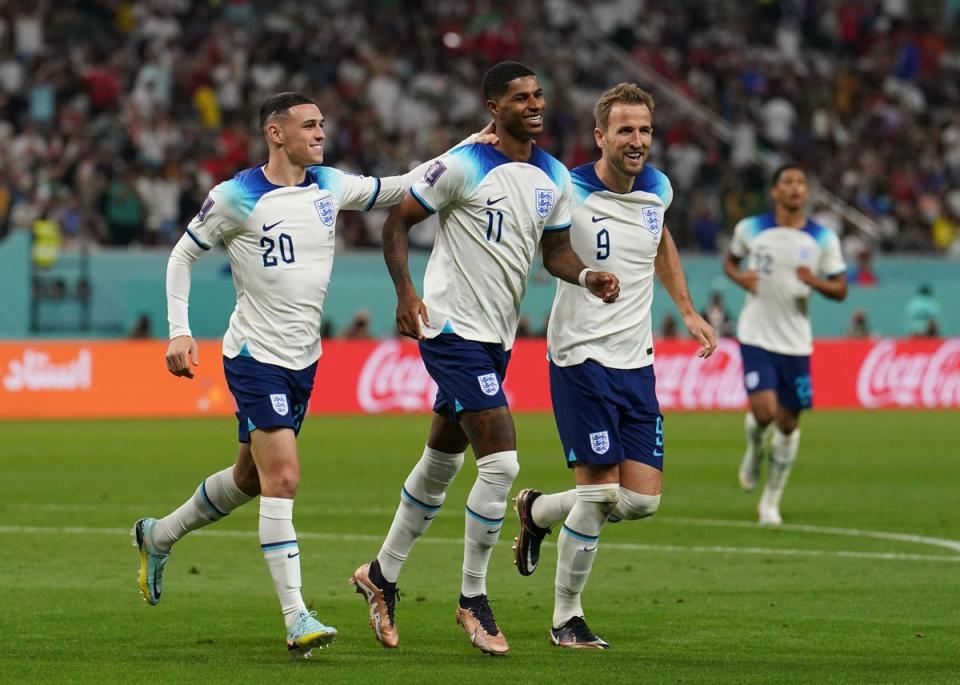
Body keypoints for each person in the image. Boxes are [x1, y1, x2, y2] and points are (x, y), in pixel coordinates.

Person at [132, 92, 432, 656]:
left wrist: (472, 147)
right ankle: (297, 617)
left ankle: (158, 534)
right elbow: (181, 256)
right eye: (309, 125)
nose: (321, 133)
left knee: (250, 478)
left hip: (304, 359)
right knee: (284, 478)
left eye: (322, 124)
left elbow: (399, 185)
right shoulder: (234, 196)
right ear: (276, 132)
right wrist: (179, 330)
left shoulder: (328, 185)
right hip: (254, 357)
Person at [349, 61, 620, 656]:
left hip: (497, 338)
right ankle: (472, 598)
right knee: (500, 463)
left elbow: (554, 252)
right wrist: (406, 293)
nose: (534, 104)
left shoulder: (553, 175)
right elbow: (398, 222)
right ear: (492, 106)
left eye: (539, 94)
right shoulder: (463, 164)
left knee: (441, 461)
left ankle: (381, 574)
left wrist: (587, 274)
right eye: (520, 97)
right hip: (448, 328)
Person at [508, 83, 716, 649]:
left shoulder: (658, 190)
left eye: (645, 130)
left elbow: (661, 241)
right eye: (625, 130)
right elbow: (549, 252)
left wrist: (688, 310)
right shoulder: (566, 188)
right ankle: (565, 619)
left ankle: (538, 510)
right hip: (580, 356)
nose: (637, 140)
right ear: (600, 136)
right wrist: (582, 275)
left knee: (641, 501)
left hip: (636, 361)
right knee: (599, 495)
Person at [723, 164, 848, 525]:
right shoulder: (750, 229)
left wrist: (816, 282)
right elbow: (730, 261)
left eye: (800, 182)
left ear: (806, 192)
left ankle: (770, 501)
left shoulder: (823, 238)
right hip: (756, 334)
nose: (794, 189)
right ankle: (754, 449)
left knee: (789, 424)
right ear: (775, 191)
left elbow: (840, 288)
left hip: (795, 341)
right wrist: (740, 277)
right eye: (787, 182)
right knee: (764, 413)